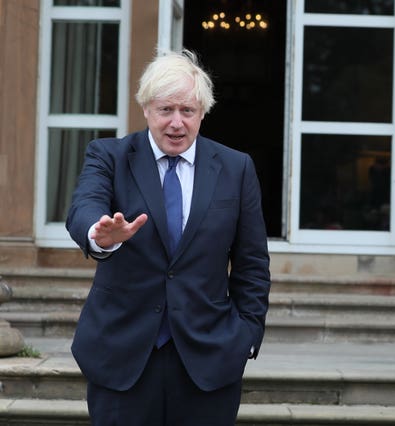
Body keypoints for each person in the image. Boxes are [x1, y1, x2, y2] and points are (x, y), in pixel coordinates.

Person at [66, 49, 271, 425]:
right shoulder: (109, 156)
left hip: (208, 359)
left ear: (202, 113)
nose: (177, 123)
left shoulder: (236, 167)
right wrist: (101, 235)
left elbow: (252, 262)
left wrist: (247, 334)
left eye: (187, 111)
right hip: (122, 356)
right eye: (166, 110)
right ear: (146, 109)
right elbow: (84, 206)